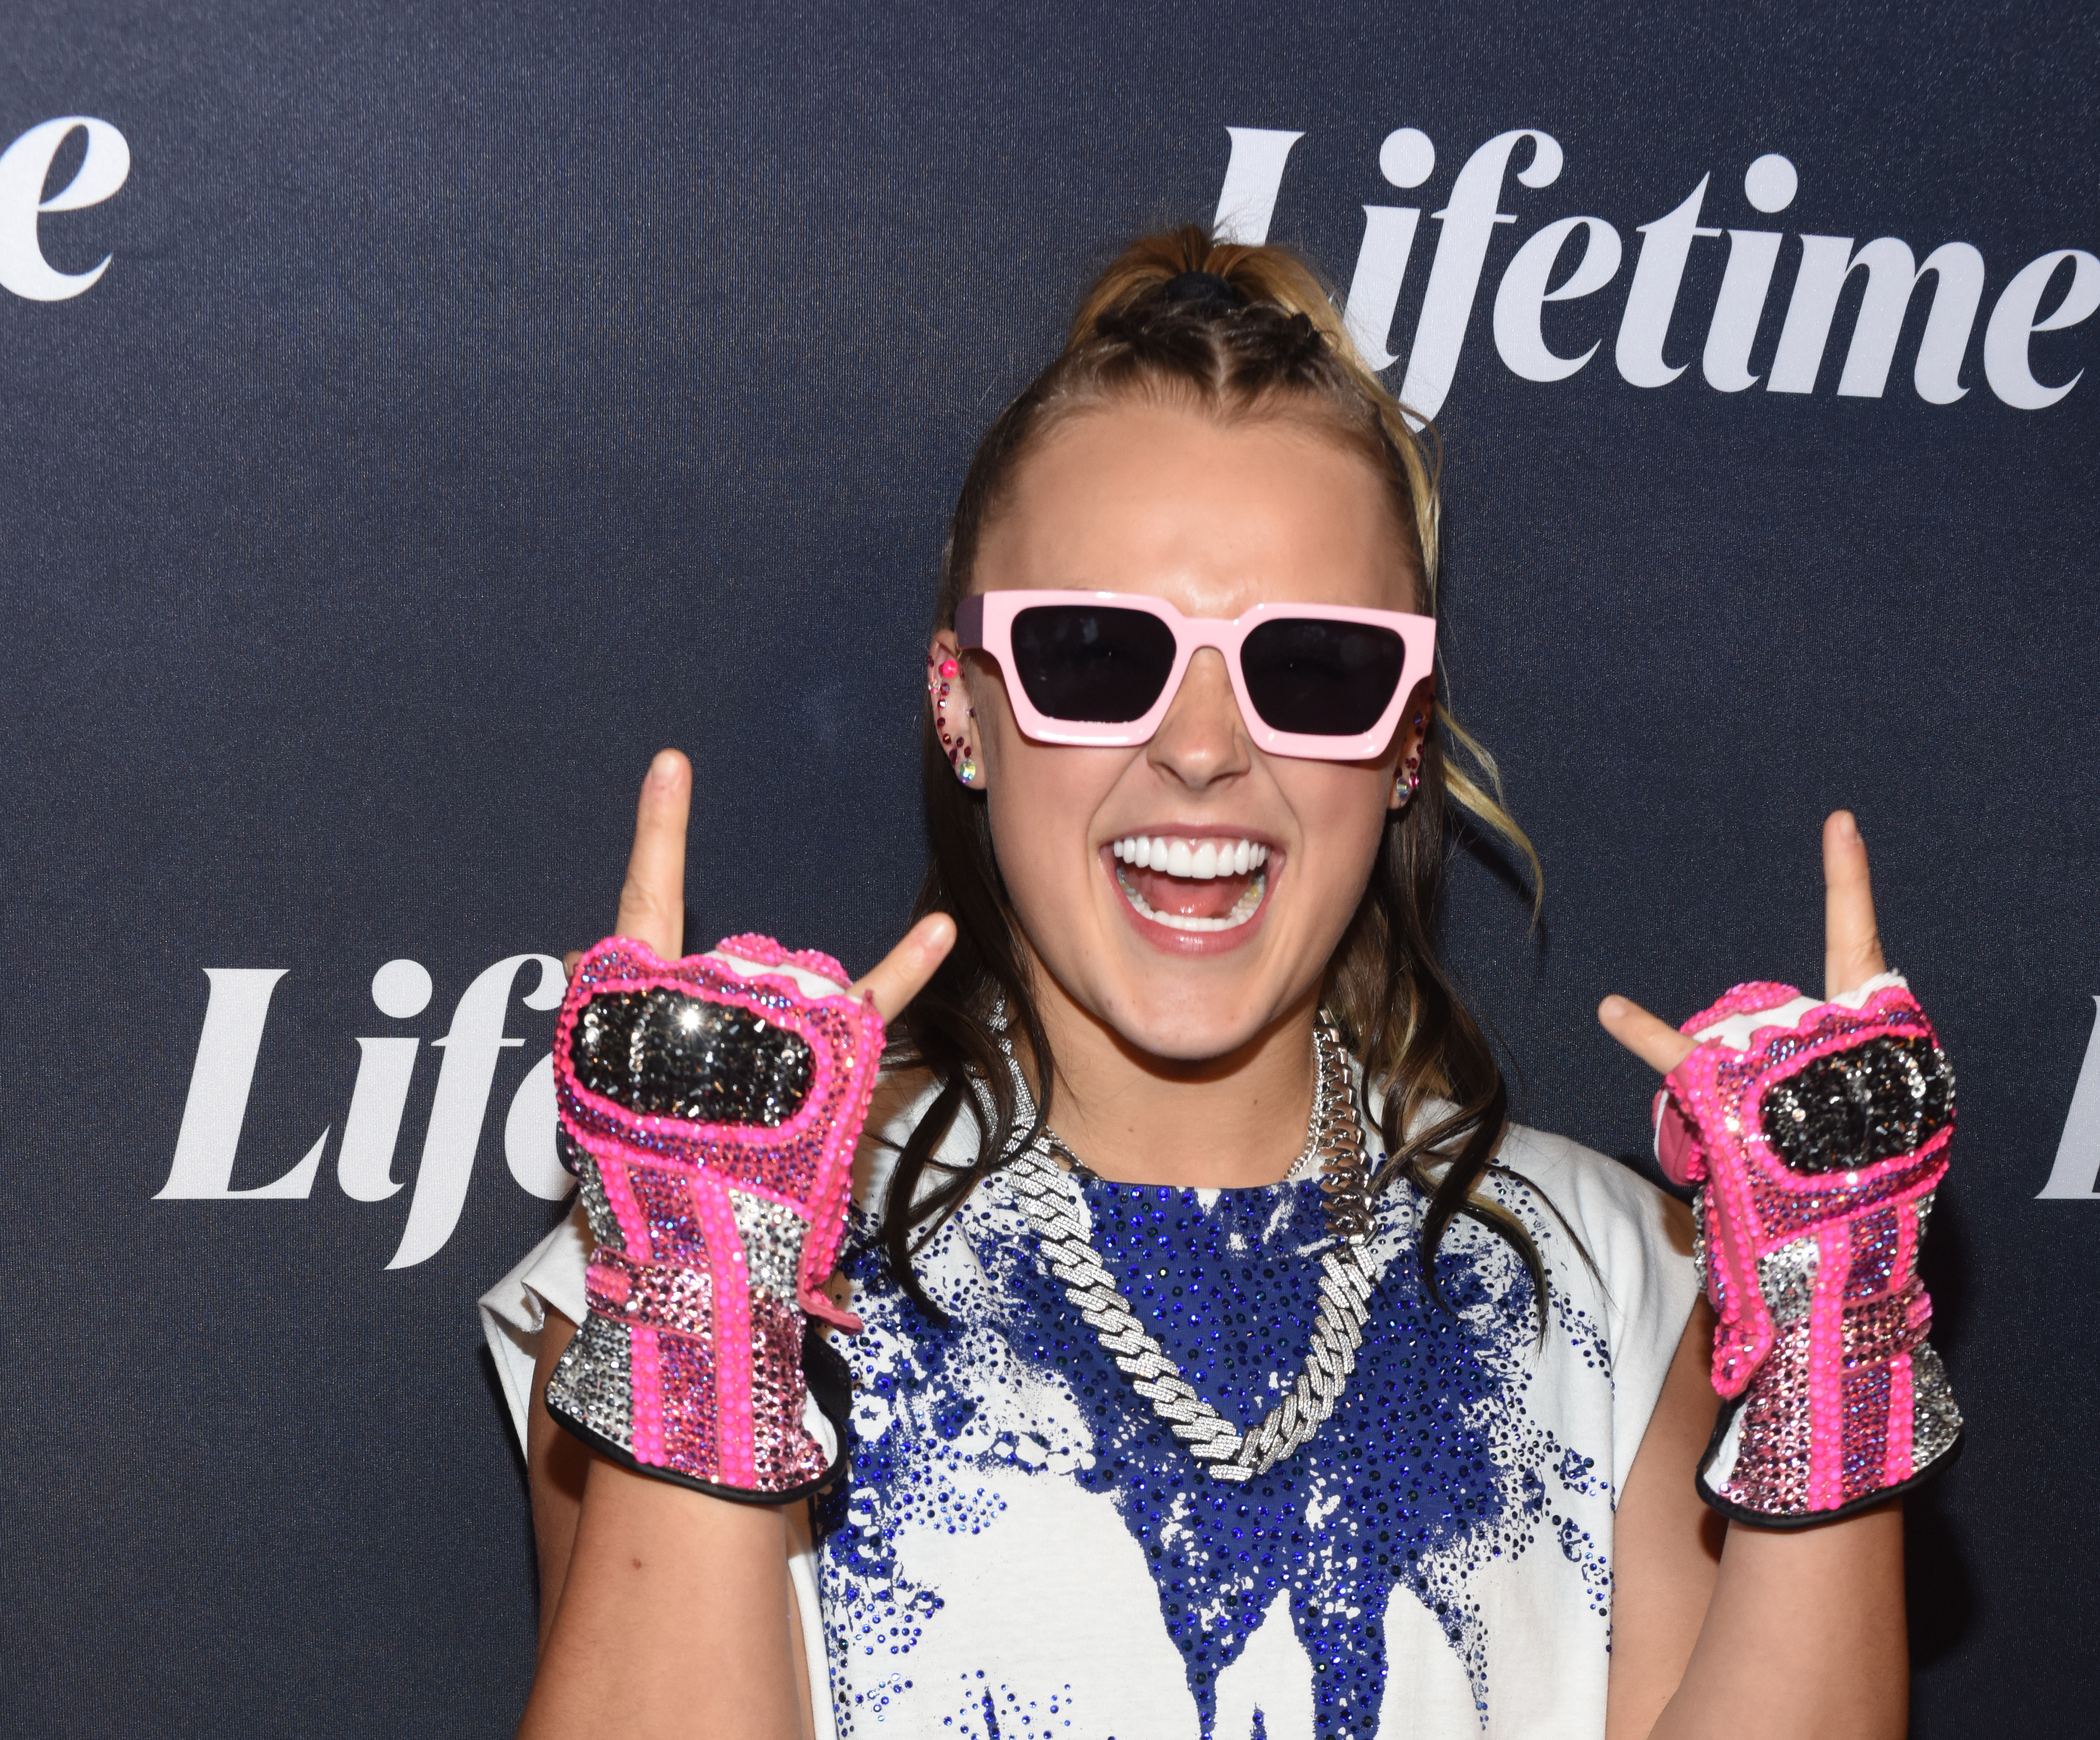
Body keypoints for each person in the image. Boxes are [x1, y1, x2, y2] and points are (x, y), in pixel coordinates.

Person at [480, 225, 1949, 1740]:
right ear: (960, 710)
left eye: (1310, 665)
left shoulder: (1612, 1280)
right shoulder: (703, 1245)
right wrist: (700, 1313)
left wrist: (1832, 1347)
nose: (1200, 745)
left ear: (1401, 739)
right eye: (1097, 653)